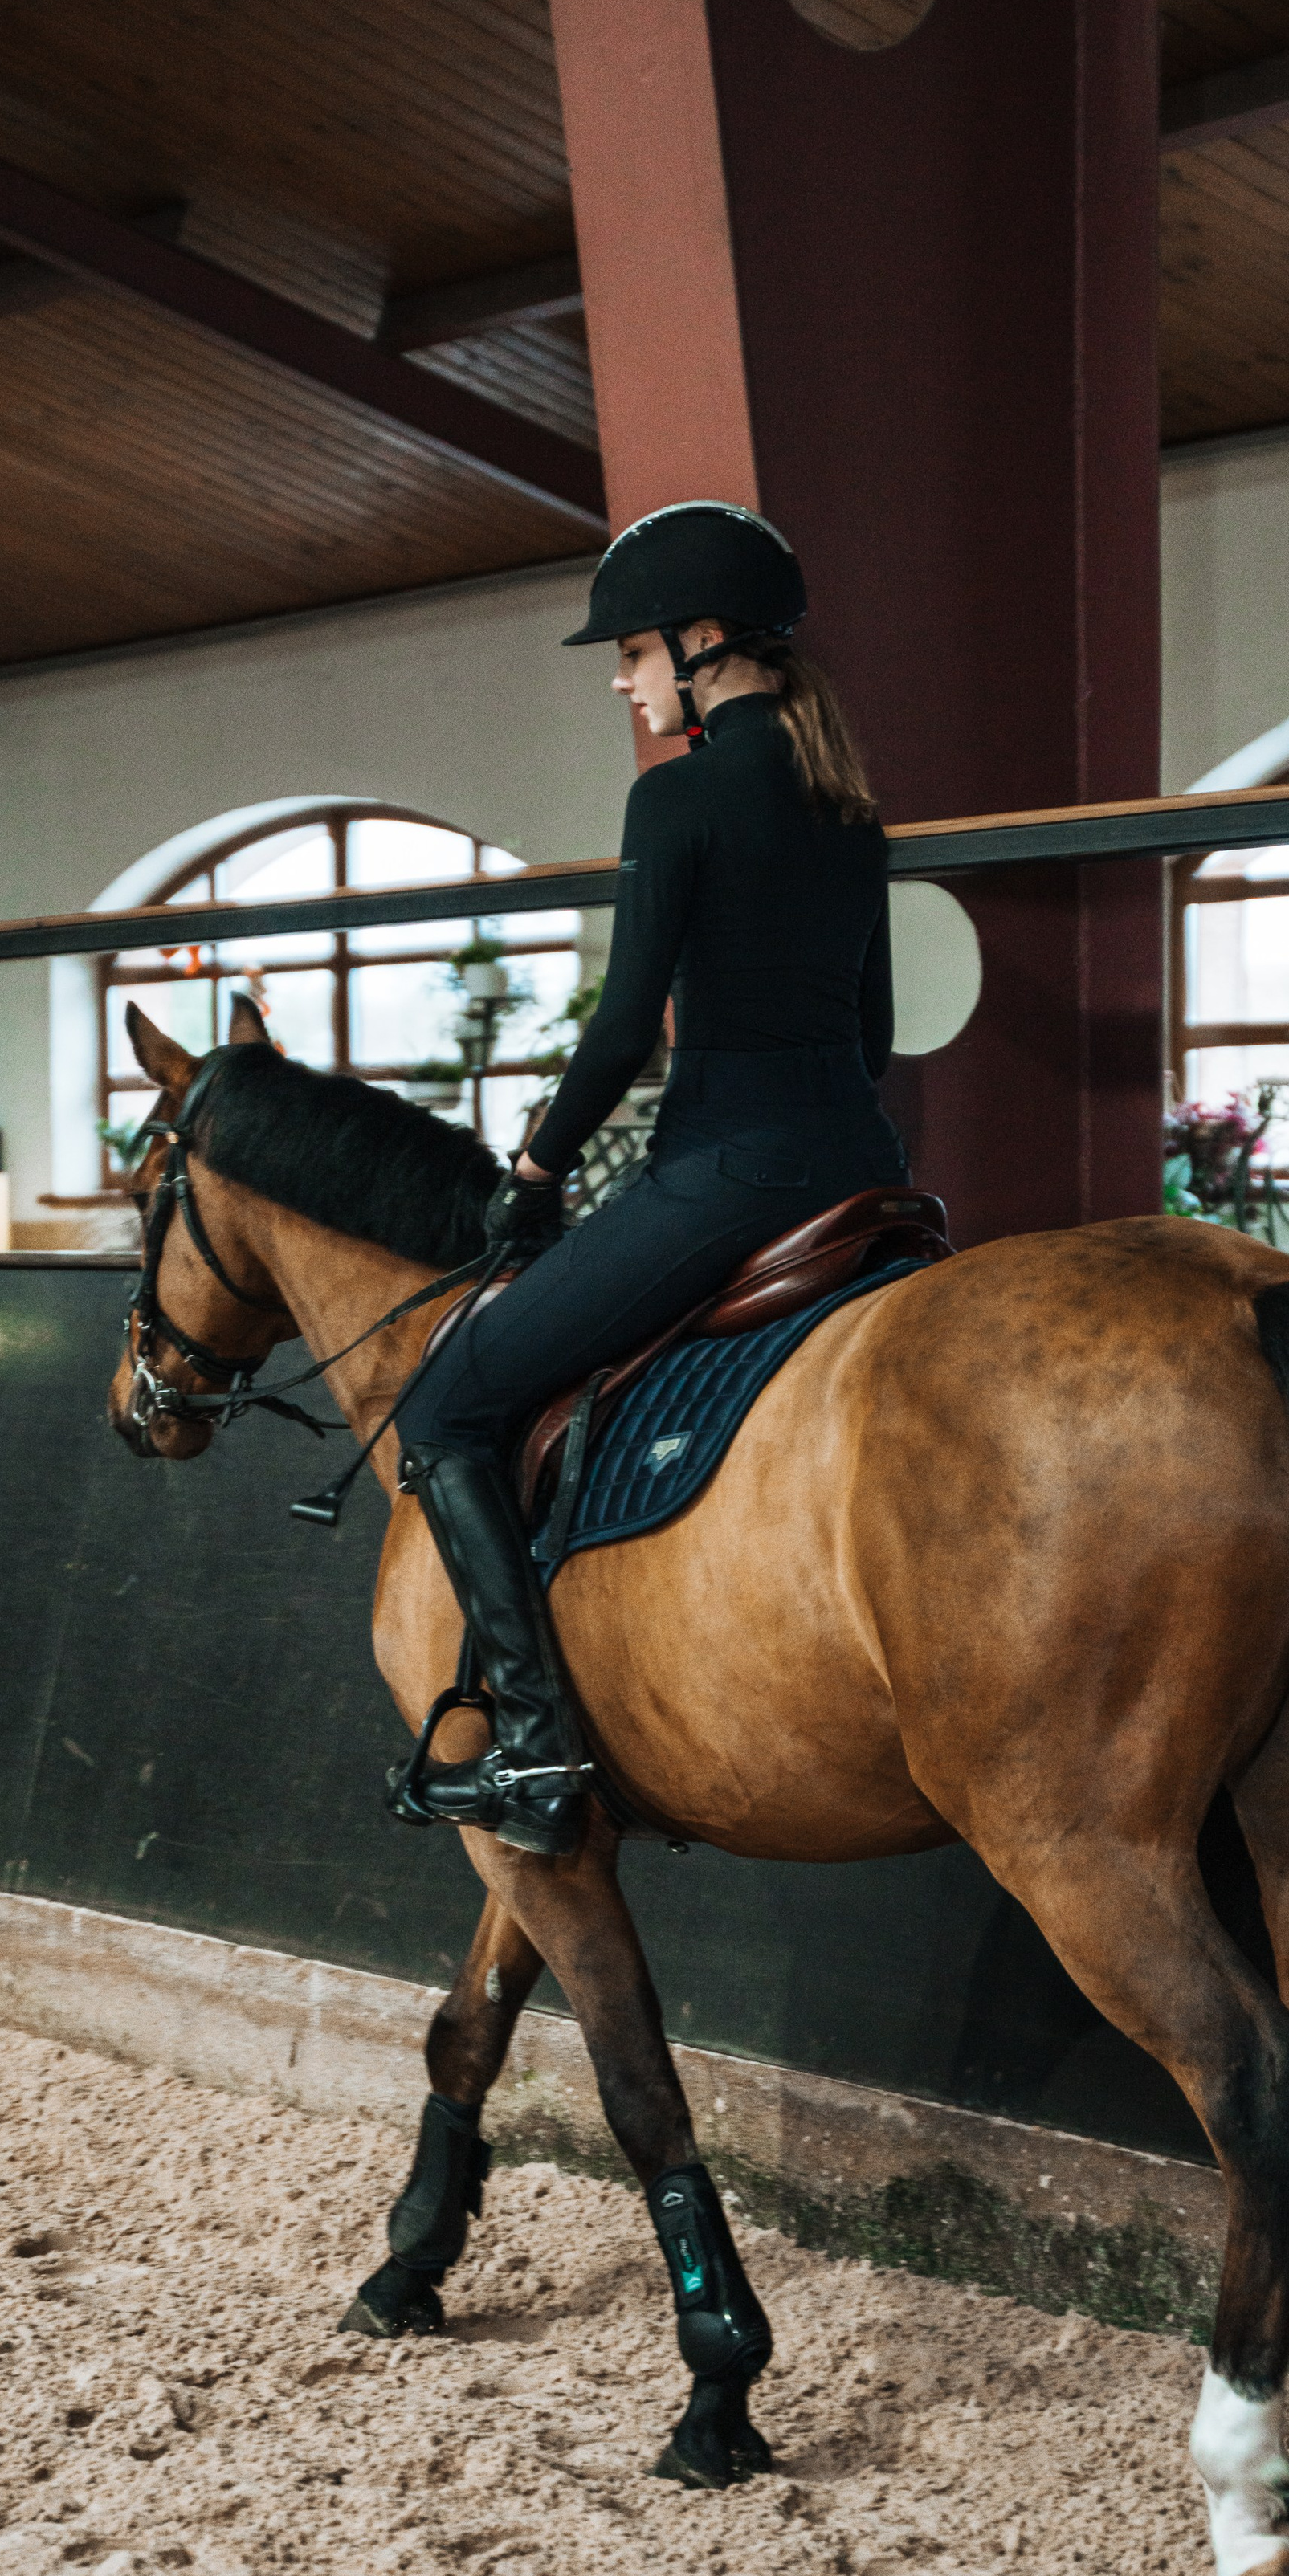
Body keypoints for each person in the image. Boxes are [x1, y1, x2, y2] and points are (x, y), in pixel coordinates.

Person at [392, 502, 908, 1858]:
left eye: (630, 652)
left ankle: (541, 1749)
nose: (623, 681)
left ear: (700, 644)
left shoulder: (674, 800)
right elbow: (875, 1038)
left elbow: (624, 1031)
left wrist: (538, 1166)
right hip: (859, 1169)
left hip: (729, 1174)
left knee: (447, 1406)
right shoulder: (851, 811)